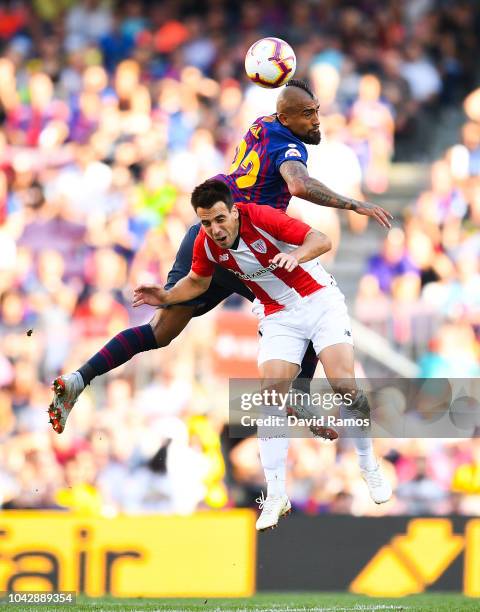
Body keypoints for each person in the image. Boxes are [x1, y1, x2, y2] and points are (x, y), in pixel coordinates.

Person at [49, 79, 391, 443]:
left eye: (317, 111)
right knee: (304, 302)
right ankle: (300, 394)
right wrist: (354, 203)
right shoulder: (289, 147)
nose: (317, 120)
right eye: (308, 114)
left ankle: (78, 378)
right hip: (242, 242)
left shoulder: (262, 123)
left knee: (160, 332)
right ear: (287, 118)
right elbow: (299, 186)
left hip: (206, 236)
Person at [131, 180, 392, 530]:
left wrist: (295, 256)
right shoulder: (206, 243)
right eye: (206, 223)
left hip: (318, 301)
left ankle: (368, 465)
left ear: (234, 211)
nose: (214, 229)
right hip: (277, 313)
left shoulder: (262, 217)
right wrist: (164, 297)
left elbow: (322, 239)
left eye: (220, 220)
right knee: (271, 397)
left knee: (344, 384)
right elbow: (196, 281)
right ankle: (275, 494)